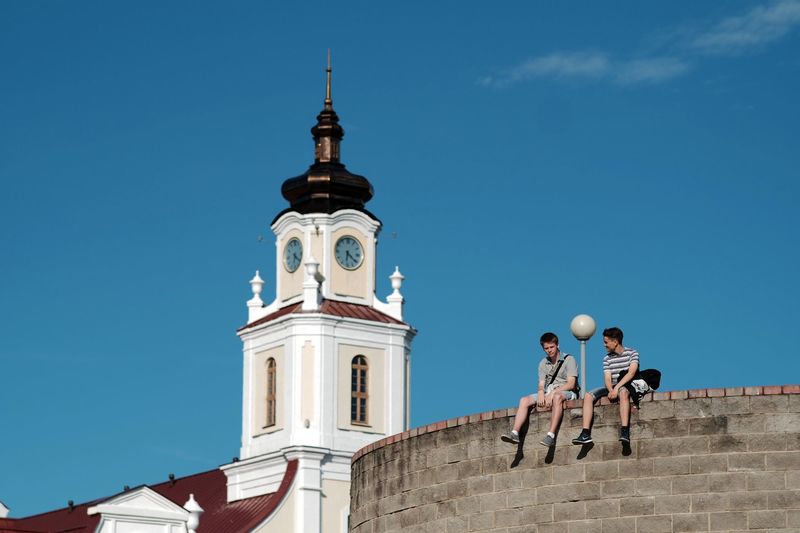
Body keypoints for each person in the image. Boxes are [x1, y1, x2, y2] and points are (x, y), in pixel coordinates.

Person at [500, 332, 579, 447]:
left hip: (566, 392)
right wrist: (541, 392)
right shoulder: (543, 363)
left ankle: (551, 435)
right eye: (546, 348)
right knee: (524, 400)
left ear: (557, 345)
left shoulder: (569, 359)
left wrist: (553, 393)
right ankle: (515, 432)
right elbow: (541, 383)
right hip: (549, 392)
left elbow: (571, 384)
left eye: (551, 347)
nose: (549, 350)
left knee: (557, 397)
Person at [571, 326, 639, 445]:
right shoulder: (607, 358)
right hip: (611, 387)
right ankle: (585, 433)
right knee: (588, 395)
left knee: (623, 392)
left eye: (606, 342)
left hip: (626, 385)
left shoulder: (632, 353)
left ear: (615, 342)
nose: (604, 345)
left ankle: (624, 431)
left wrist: (617, 388)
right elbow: (607, 377)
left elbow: (632, 372)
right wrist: (611, 390)